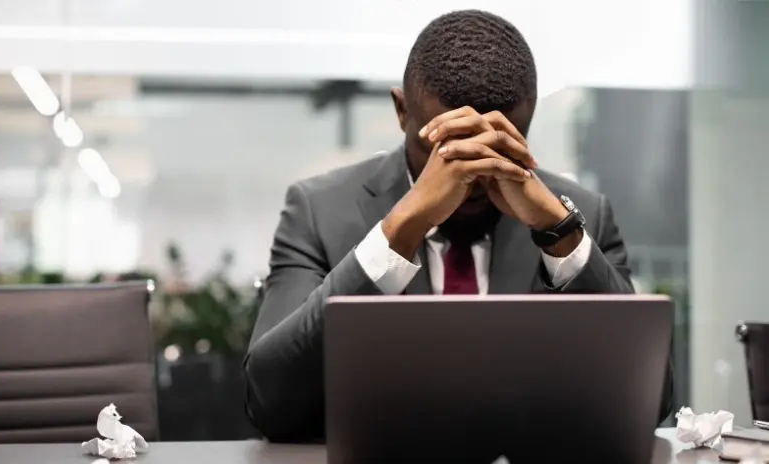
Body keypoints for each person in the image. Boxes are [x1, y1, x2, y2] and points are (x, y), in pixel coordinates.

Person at [244, 9, 674, 442]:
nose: (473, 177)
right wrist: (400, 230)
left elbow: (652, 402)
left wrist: (558, 233)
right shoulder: (320, 210)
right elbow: (268, 401)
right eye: (447, 148)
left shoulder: (580, 215)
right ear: (401, 111)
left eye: (500, 145)